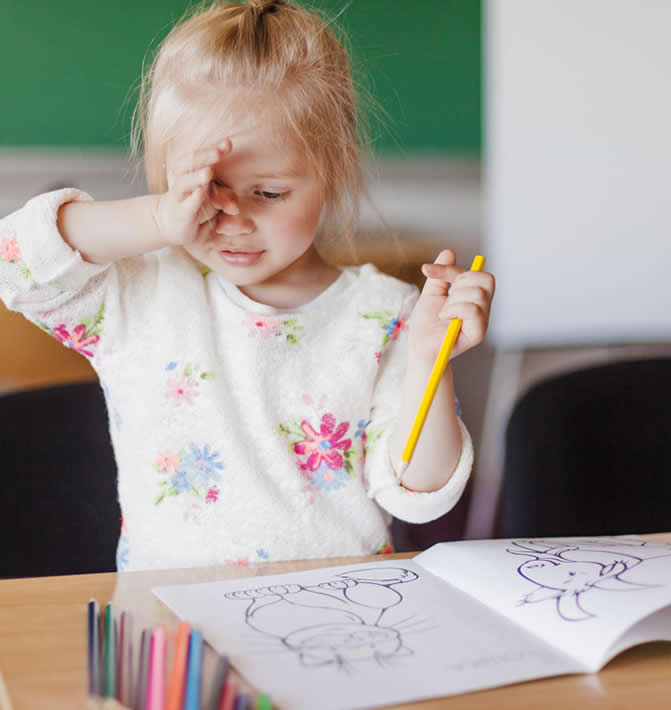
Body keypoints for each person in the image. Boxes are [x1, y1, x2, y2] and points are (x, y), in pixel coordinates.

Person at [0, 0, 494, 571]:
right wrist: (158, 220)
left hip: (335, 622)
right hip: (172, 627)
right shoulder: (140, 293)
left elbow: (420, 492)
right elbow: (16, 262)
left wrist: (432, 360)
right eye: (204, 190)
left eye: (267, 193)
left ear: (332, 171)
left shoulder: (386, 314)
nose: (231, 219)